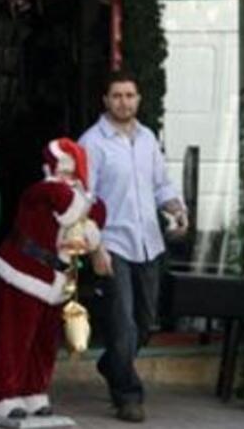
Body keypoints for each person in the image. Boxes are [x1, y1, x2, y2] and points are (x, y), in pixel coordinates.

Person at [78, 70, 188, 423]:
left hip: (149, 243)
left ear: (139, 99)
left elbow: (160, 185)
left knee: (144, 322)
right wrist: (94, 248)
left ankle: (112, 363)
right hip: (113, 244)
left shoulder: (147, 139)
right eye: (117, 96)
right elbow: (84, 200)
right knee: (122, 323)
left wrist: (176, 208)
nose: (124, 102)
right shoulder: (92, 143)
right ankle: (128, 396)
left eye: (130, 95)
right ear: (105, 100)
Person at [0, 138, 107, 421]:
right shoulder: (42, 191)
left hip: (55, 281)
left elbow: (97, 215)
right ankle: (3, 395)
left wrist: (90, 219)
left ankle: (33, 392)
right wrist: (86, 204)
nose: (67, 175)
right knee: (15, 340)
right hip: (22, 274)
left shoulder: (79, 196)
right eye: (62, 167)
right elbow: (67, 205)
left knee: (44, 342)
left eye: (72, 169)